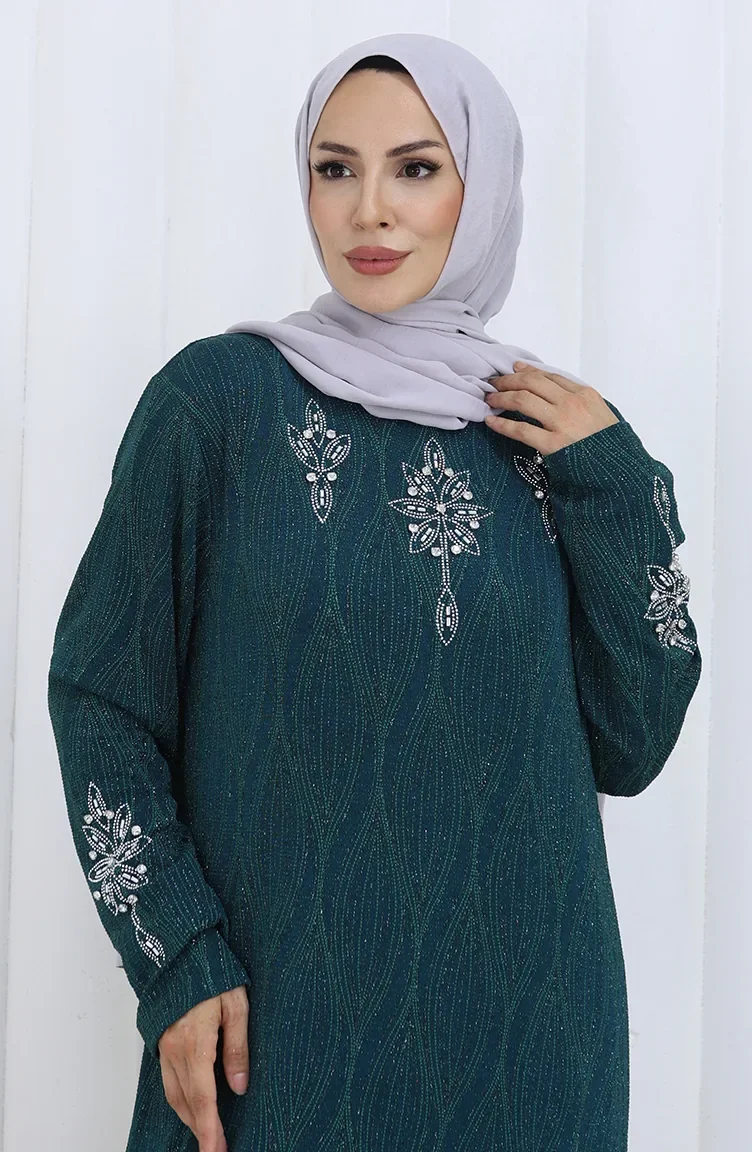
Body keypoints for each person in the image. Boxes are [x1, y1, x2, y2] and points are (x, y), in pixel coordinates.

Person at [47, 31, 702, 1152]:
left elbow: (632, 741)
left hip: (532, 1047)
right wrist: (177, 954)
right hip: (276, 1038)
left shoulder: (547, 437)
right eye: (335, 168)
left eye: (416, 168)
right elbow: (101, 695)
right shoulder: (218, 406)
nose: (370, 211)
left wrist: (614, 486)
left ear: (480, 190)